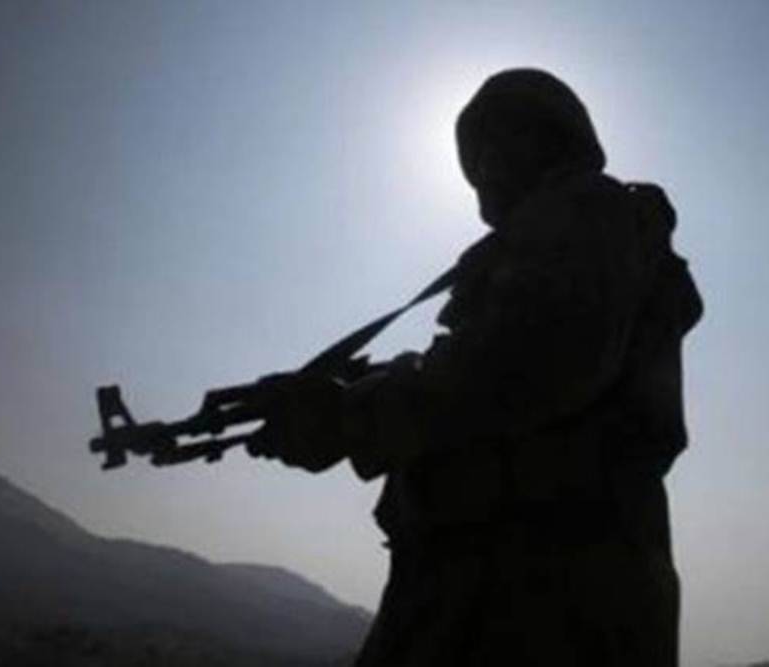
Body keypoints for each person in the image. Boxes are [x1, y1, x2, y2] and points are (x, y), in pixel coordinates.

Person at [256, 68, 702, 666]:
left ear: (551, 139)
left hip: (537, 590)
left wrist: (352, 416)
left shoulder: (587, 212)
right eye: (477, 152)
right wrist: (361, 395)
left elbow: (527, 364)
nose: (484, 167)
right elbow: (504, 362)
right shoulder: (569, 236)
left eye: (501, 141)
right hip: (503, 579)